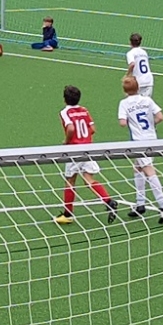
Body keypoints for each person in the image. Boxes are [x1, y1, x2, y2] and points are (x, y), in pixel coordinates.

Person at [54, 85, 118, 225]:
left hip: (75, 150)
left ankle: (67, 214)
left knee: (70, 180)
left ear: (64, 99)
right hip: (88, 148)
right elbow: (92, 129)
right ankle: (108, 201)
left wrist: (67, 141)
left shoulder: (65, 112)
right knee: (88, 178)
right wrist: (84, 138)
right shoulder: (84, 110)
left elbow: (71, 128)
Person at [117, 76, 163, 224]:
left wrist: (129, 120)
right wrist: (151, 125)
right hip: (152, 138)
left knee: (148, 169)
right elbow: (160, 117)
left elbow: (122, 123)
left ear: (125, 90)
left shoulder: (124, 103)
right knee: (137, 168)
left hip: (139, 142)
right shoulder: (147, 100)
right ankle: (140, 204)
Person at [125, 32, 153, 97]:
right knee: (146, 102)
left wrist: (127, 75)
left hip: (139, 82)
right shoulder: (144, 52)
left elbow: (132, 64)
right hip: (149, 81)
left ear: (130, 42)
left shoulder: (130, 53)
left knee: (133, 101)